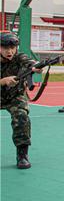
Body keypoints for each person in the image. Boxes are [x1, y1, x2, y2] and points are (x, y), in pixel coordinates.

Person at [0, 32, 42, 169]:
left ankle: (22, 155)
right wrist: (3, 81)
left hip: (14, 96)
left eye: (12, 47)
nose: (9, 51)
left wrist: (36, 67)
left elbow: (29, 62)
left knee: (21, 116)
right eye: (5, 48)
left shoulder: (19, 57)